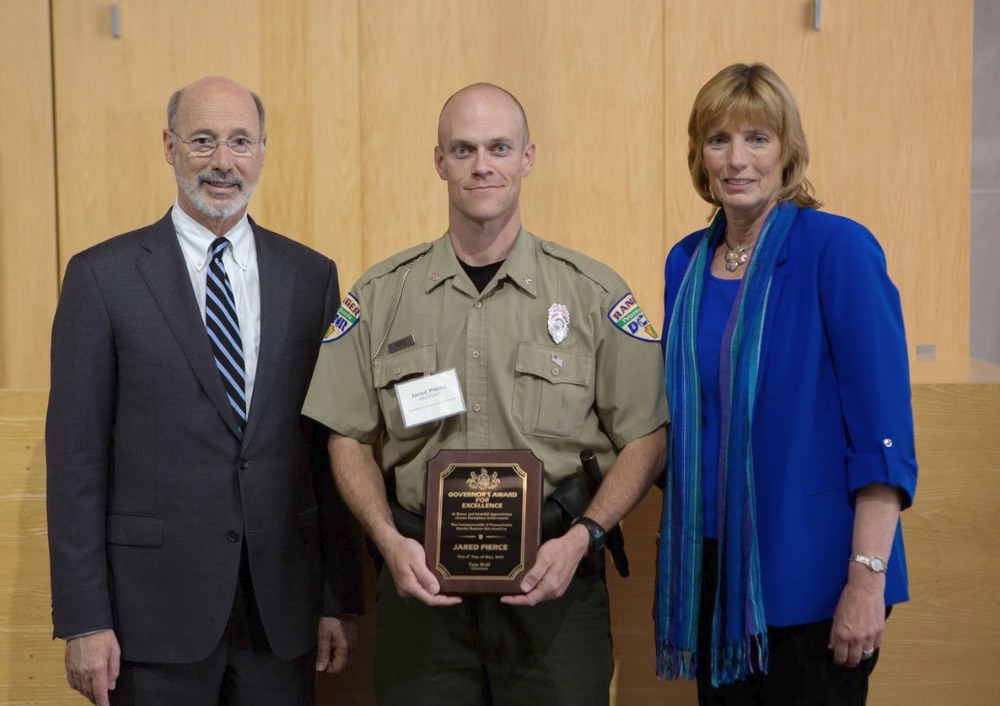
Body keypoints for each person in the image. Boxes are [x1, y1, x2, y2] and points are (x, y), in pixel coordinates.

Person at [303, 82, 668, 705]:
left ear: (527, 157)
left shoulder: (592, 294)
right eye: (463, 149)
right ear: (439, 161)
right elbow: (347, 436)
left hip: (556, 584)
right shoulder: (382, 296)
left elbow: (648, 435)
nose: (482, 165)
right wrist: (388, 542)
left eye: (499, 147)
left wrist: (585, 535)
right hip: (421, 589)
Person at [45, 76, 364, 706]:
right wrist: (85, 618)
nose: (224, 162)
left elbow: (327, 451)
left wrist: (340, 598)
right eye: (203, 140)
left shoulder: (310, 276)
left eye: (241, 141)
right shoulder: (101, 278)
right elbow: (76, 462)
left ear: (263, 150)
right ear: (169, 146)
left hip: (281, 613)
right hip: (151, 617)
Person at [654, 63, 918, 705]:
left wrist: (866, 581)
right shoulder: (686, 261)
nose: (737, 159)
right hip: (713, 576)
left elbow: (881, 434)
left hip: (817, 578)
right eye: (718, 139)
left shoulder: (838, 249)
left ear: (788, 151)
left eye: (757, 139)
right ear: (700, 156)